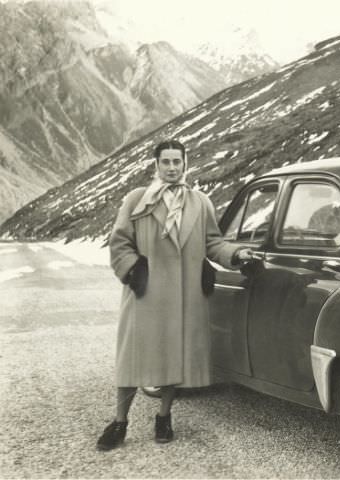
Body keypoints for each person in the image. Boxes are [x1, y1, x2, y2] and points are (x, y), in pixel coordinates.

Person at [96, 139, 254, 450]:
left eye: (176, 162)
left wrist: (236, 254)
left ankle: (164, 417)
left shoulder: (200, 202)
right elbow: (119, 242)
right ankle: (119, 422)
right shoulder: (137, 200)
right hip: (146, 293)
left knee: (173, 358)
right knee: (132, 358)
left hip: (183, 296)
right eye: (165, 162)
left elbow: (213, 244)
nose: (171, 167)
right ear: (156, 166)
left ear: (185, 164)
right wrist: (134, 270)